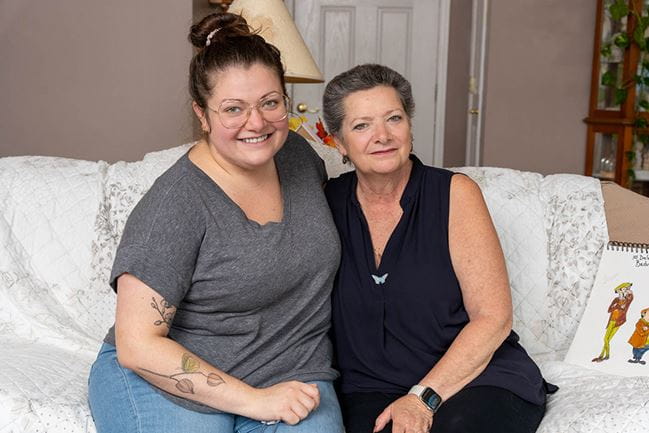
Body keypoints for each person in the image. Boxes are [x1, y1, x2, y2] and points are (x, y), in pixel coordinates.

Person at [87, 12, 345, 433]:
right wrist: (256, 402)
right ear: (202, 115)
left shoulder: (298, 157)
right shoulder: (175, 204)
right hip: (166, 380)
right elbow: (138, 346)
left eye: (270, 102)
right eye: (233, 109)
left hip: (291, 373)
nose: (256, 123)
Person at [322, 64, 555, 433]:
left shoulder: (453, 194)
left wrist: (422, 397)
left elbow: (493, 317)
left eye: (393, 118)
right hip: (369, 389)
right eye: (362, 125)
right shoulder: (326, 202)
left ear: (410, 127)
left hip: (474, 380)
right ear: (338, 142)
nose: (382, 135)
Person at [592, 282, 634, 362]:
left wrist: (630, 293)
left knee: (607, 339)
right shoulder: (616, 300)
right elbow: (609, 310)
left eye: (626, 289)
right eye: (622, 290)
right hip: (611, 321)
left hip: (618, 322)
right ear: (619, 291)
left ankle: (603, 355)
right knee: (606, 339)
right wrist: (617, 306)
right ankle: (605, 355)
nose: (624, 291)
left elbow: (630, 298)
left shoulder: (627, 300)